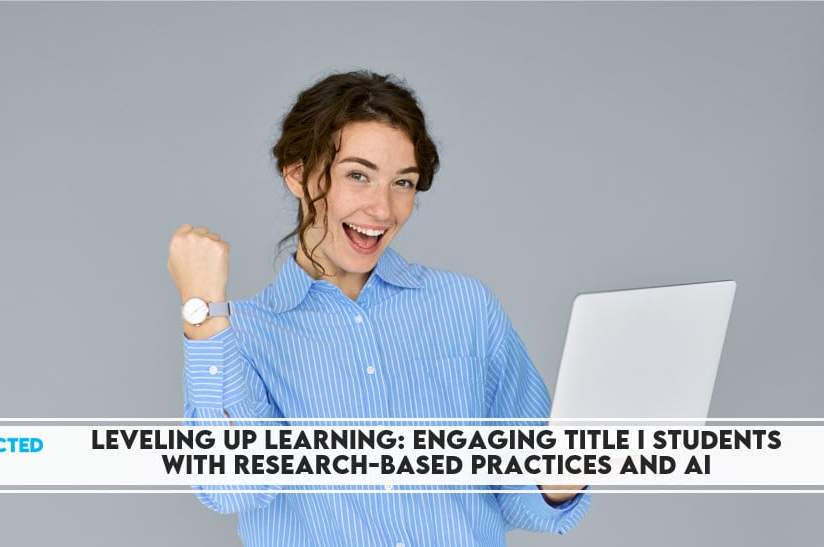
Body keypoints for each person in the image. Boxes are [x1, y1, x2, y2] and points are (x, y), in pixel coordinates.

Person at [168, 71, 590, 546]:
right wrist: (202, 308)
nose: (384, 209)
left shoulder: (465, 307)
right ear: (298, 174)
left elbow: (521, 492)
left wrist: (563, 473)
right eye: (358, 175)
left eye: (403, 183)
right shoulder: (240, 336)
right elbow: (232, 486)